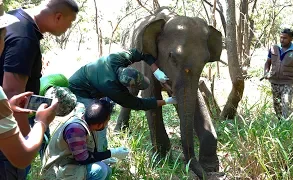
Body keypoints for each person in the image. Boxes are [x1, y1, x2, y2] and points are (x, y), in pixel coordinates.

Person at [0, 0, 79, 177]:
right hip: (7, 136)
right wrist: (31, 133)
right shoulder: (25, 38)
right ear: (58, 16)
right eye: (70, 21)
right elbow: (13, 95)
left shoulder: (13, 18)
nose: (68, 27)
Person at [68, 48, 177, 152]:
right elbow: (137, 104)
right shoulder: (112, 88)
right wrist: (167, 101)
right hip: (79, 90)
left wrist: (156, 71)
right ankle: (100, 153)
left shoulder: (118, 58)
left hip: (92, 80)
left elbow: (142, 53)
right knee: (98, 121)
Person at [41, 100, 129, 180]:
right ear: (99, 124)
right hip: (56, 170)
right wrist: (112, 153)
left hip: (69, 164)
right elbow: (83, 159)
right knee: (99, 170)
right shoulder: (76, 129)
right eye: (107, 121)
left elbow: (84, 153)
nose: (106, 124)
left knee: (107, 170)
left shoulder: (87, 123)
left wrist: (105, 158)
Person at [264, 28, 293, 119]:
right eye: (281, 37)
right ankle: (280, 127)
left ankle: (286, 127)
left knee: (286, 106)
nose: (282, 40)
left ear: (291, 39)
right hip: (274, 82)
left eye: (285, 38)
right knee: (277, 107)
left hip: (288, 83)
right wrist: (266, 72)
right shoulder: (273, 48)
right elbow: (267, 63)